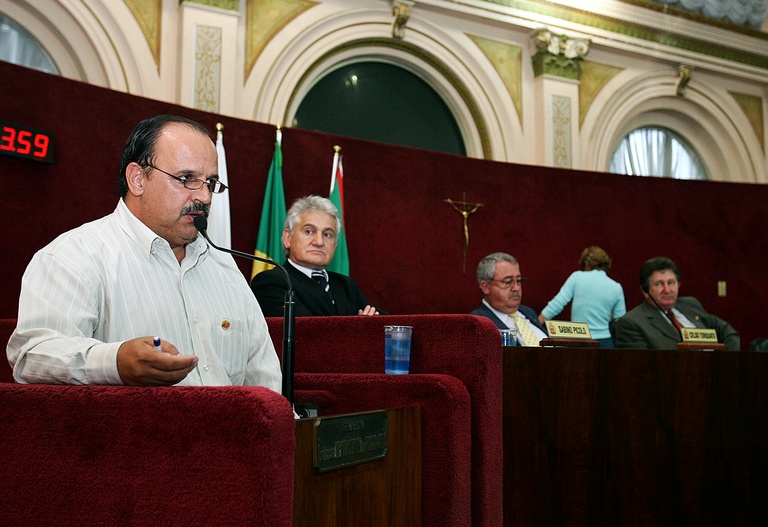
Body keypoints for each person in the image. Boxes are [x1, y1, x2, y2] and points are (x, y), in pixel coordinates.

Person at [6, 114, 282, 390]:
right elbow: (32, 356)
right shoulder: (74, 257)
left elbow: (263, 374)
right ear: (137, 179)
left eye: (210, 182)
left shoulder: (224, 265)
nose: (205, 197)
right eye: (186, 178)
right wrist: (117, 363)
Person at [250, 195, 384, 316]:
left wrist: (369, 325)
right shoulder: (271, 282)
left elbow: (389, 325)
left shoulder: (345, 285)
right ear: (288, 237)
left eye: (327, 235)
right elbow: (308, 333)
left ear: (335, 244)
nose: (319, 242)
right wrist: (362, 327)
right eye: (309, 231)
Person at [612, 256, 740, 351]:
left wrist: (727, 363)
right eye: (659, 284)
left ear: (679, 284)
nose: (667, 290)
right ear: (645, 290)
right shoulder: (632, 323)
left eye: (671, 282)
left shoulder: (690, 305)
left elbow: (728, 332)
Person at [538, 246, 626, 348]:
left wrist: (537, 322)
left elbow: (557, 304)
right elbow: (619, 322)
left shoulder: (577, 277)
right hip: (606, 342)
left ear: (585, 263)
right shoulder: (616, 287)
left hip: (578, 340)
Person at [470, 252, 547, 346]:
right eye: (508, 282)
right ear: (485, 287)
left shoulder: (528, 312)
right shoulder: (477, 324)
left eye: (518, 281)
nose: (516, 288)